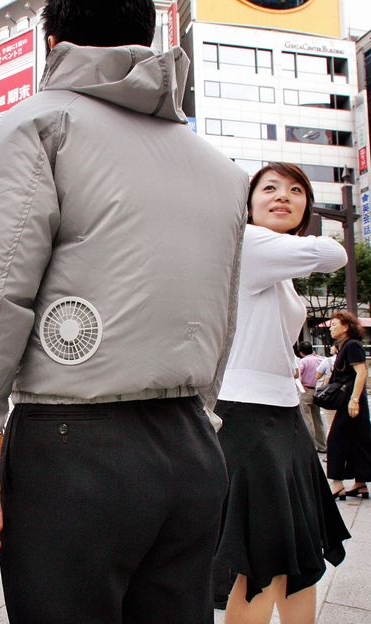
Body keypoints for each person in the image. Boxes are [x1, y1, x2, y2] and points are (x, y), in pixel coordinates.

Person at [0, 1, 249, 621]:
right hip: (191, 447)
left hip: (74, 447)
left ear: (55, 41)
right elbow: (220, 313)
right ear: (148, 35)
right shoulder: (221, 169)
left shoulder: (39, 125)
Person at [215, 163, 350, 624]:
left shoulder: (279, 267)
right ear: (248, 204)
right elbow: (335, 255)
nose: (284, 197)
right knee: (264, 563)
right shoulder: (249, 244)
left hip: (281, 412)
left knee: (297, 556)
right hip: (248, 415)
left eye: (296, 190)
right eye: (269, 188)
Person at [327, 311, 371, 500]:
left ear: (346, 326)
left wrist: (354, 400)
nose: (331, 328)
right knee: (358, 440)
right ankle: (360, 483)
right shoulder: (345, 346)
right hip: (354, 400)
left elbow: (361, 372)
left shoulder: (352, 345)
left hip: (352, 400)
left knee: (335, 439)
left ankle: (337, 483)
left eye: (335, 324)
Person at [297, 341, 327, 452]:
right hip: (318, 391)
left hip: (306, 390)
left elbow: (297, 376)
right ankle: (322, 445)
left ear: (301, 352)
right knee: (317, 420)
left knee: (307, 420)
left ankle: (310, 447)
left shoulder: (303, 361)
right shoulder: (321, 359)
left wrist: (300, 388)